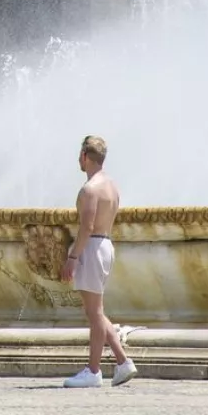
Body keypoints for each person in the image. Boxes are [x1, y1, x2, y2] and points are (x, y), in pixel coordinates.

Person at [60, 136, 137, 388]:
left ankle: (93, 371)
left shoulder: (90, 189)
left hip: (91, 246)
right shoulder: (112, 187)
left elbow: (87, 226)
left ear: (84, 156)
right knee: (97, 311)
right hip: (106, 245)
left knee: (94, 314)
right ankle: (123, 362)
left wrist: (72, 257)